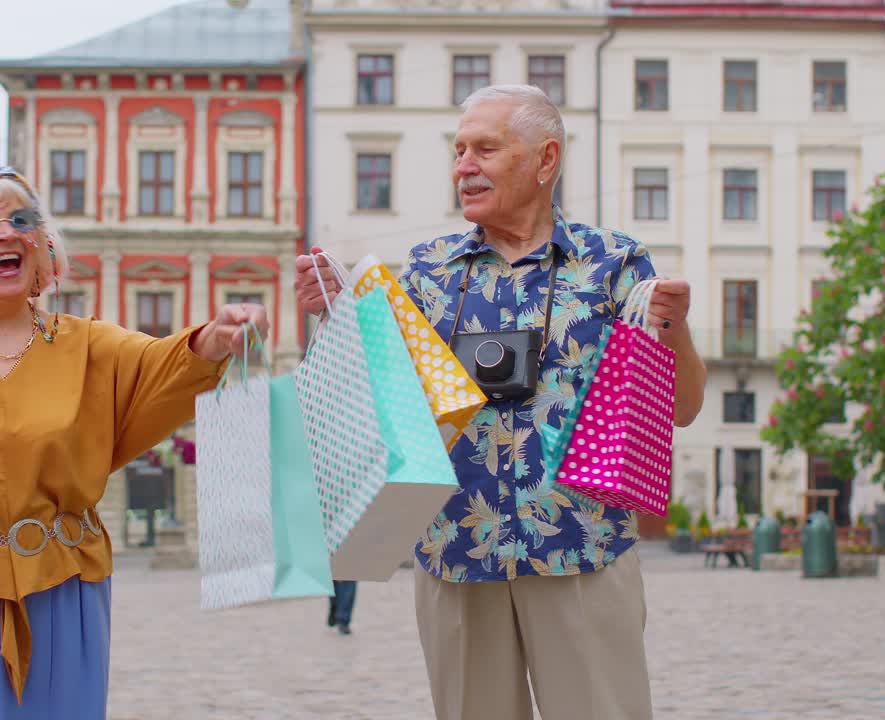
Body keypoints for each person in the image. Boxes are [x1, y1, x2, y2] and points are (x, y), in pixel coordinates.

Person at [295, 85, 707, 720]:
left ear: (545, 160)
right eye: (459, 150)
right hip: (457, 553)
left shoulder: (614, 266)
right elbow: (382, 412)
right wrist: (340, 319)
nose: (465, 165)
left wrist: (673, 328)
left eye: (486, 148)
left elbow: (678, 409)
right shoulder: (426, 272)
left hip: (582, 550)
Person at [0, 168, 268, 718]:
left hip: (59, 593)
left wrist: (216, 339)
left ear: (43, 248)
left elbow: (166, 366)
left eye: (23, 219)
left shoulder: (90, 346)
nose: (7, 232)